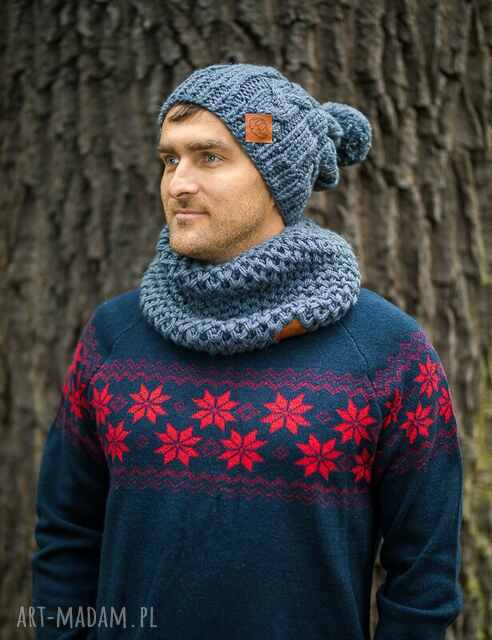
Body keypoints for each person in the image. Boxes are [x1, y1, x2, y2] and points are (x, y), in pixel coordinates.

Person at [31, 63, 464, 639]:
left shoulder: (387, 351)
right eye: (170, 159)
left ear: (275, 177)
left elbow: (425, 575)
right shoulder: (115, 336)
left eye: (209, 157)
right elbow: (66, 533)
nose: (177, 184)